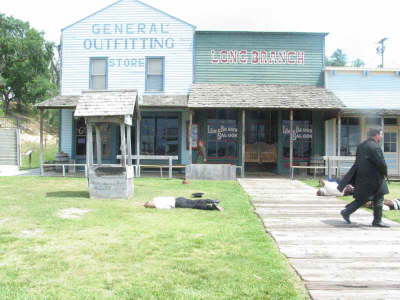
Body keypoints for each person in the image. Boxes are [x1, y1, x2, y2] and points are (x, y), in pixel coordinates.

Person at [338, 128, 390, 227]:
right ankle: (377, 221)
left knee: (363, 198)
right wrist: (385, 172)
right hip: (375, 177)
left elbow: (358, 161)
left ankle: (346, 212)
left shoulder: (361, 146)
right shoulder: (375, 146)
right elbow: (381, 163)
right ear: (376, 135)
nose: (382, 137)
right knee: (379, 197)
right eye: (381, 134)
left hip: (362, 176)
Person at [144, 196, 224, 211]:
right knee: (195, 203)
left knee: (195, 205)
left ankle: (212, 204)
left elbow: (168, 207)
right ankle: (212, 203)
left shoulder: (157, 205)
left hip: (178, 203)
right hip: (178, 198)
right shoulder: (156, 198)